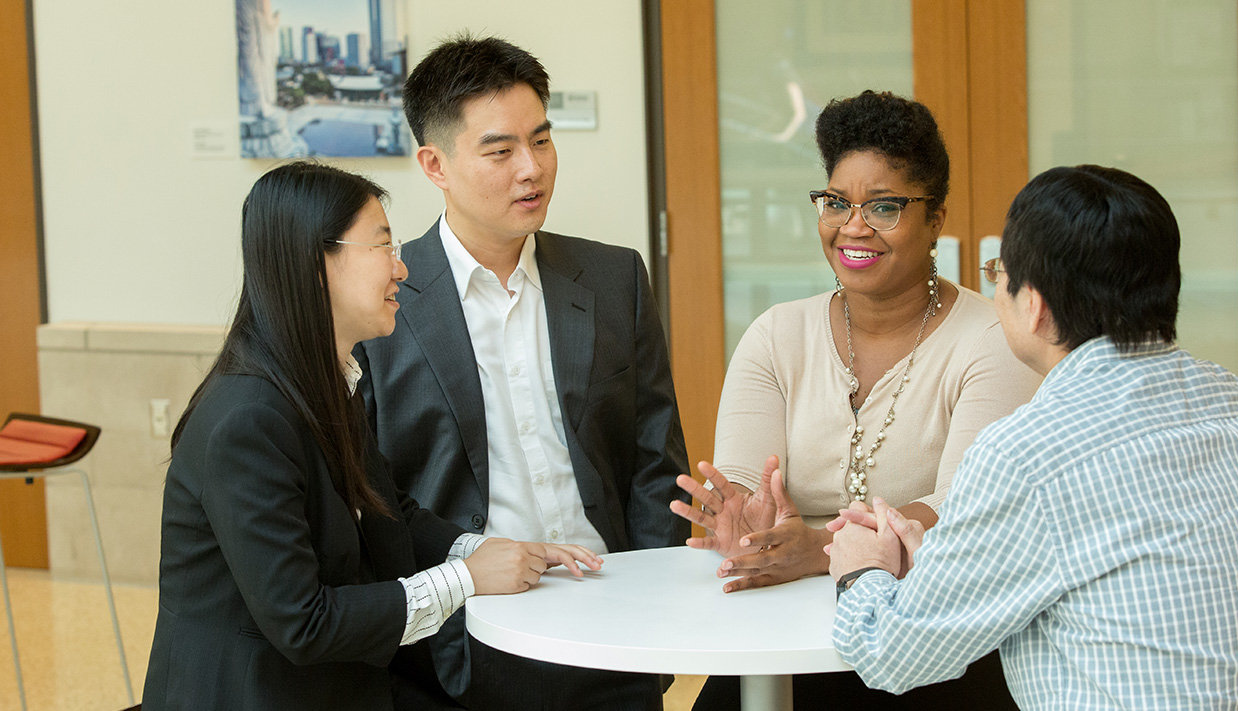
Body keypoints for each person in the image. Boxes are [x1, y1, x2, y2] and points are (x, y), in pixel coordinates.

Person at [141, 162, 600, 711]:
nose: (401, 269)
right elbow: (304, 623)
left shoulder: (331, 381)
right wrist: (467, 579)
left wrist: (488, 550)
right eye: (382, 246)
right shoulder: (247, 420)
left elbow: (388, 510)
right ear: (318, 264)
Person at [827, 164, 1238, 709]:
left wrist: (861, 569)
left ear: (1032, 304)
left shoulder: (1027, 453)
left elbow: (892, 655)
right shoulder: (1233, 402)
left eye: (998, 275)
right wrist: (947, 558)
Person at [673, 90, 1041, 708]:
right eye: (837, 202)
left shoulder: (991, 341)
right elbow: (743, 479)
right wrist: (745, 520)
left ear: (936, 219)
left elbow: (963, 512)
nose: (854, 227)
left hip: (929, 645)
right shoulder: (775, 334)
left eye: (885, 206)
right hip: (776, 637)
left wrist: (820, 550)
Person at [353, 34, 689, 710]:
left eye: (542, 140)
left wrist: (653, 600)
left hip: (616, 618)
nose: (531, 169)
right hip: (468, 638)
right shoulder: (383, 302)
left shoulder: (612, 277)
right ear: (435, 164)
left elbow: (656, 456)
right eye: (500, 151)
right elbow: (375, 496)